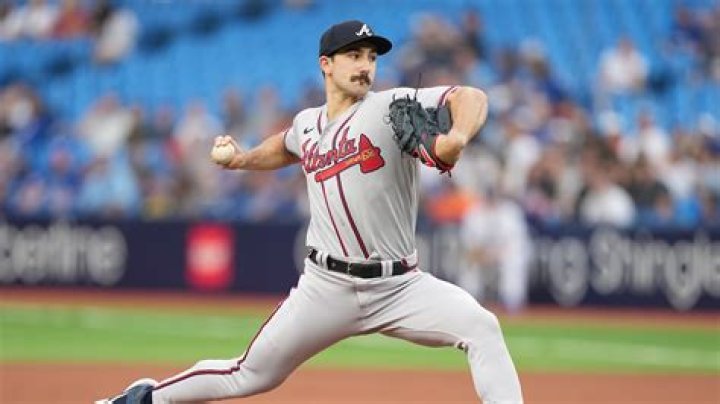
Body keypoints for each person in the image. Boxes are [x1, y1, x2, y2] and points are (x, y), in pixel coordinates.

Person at [97, 20, 523, 404]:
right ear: (326, 64)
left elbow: (471, 96)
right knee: (248, 373)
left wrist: (457, 135)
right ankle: (142, 399)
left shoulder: (390, 106)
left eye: (371, 57)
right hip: (326, 287)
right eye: (354, 55)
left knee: (482, 327)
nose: (365, 66)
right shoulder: (306, 123)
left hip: (399, 286)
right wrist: (242, 159)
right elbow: (285, 146)